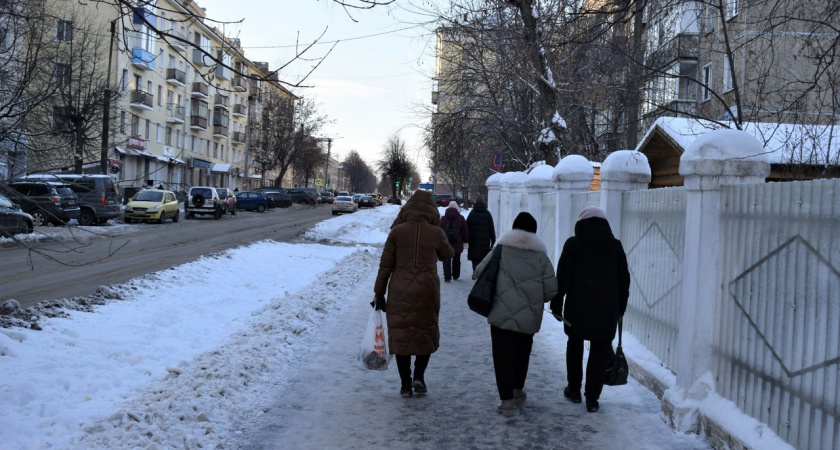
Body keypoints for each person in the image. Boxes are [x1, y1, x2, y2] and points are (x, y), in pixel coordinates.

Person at [473, 212, 557, 417]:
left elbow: (478, 272)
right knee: (522, 354)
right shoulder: (541, 257)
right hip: (529, 317)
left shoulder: (500, 250)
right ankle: (518, 390)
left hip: (500, 315)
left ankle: (507, 403)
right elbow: (550, 291)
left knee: (502, 358)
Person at [373, 190, 454, 398]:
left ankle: (405, 385)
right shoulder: (436, 232)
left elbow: (385, 267)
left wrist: (378, 293)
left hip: (399, 288)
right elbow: (447, 255)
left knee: (402, 336)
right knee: (424, 332)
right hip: (427, 289)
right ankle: (419, 376)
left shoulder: (397, 232)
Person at [551, 206, 630, 413]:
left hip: (578, 306)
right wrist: (621, 307)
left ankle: (574, 390)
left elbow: (563, 277)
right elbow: (624, 280)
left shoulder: (573, 244)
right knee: (599, 350)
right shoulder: (615, 246)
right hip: (606, 308)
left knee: (574, 344)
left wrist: (557, 302)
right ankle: (592, 399)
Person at [439, 201, 468, 282]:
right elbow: (465, 230)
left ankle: (447, 278)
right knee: (456, 259)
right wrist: (465, 240)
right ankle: (455, 275)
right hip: (457, 242)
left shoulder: (443, 218)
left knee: (446, 259)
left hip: (446, 242)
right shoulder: (461, 218)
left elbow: (439, 230)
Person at [466, 195, 496, 272]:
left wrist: (467, 239)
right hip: (485, 243)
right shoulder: (487, 214)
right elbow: (491, 228)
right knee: (483, 260)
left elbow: (466, 227)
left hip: (473, 242)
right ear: (484, 202)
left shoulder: (472, 214)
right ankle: (481, 275)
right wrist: (493, 240)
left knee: (475, 260)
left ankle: (475, 273)